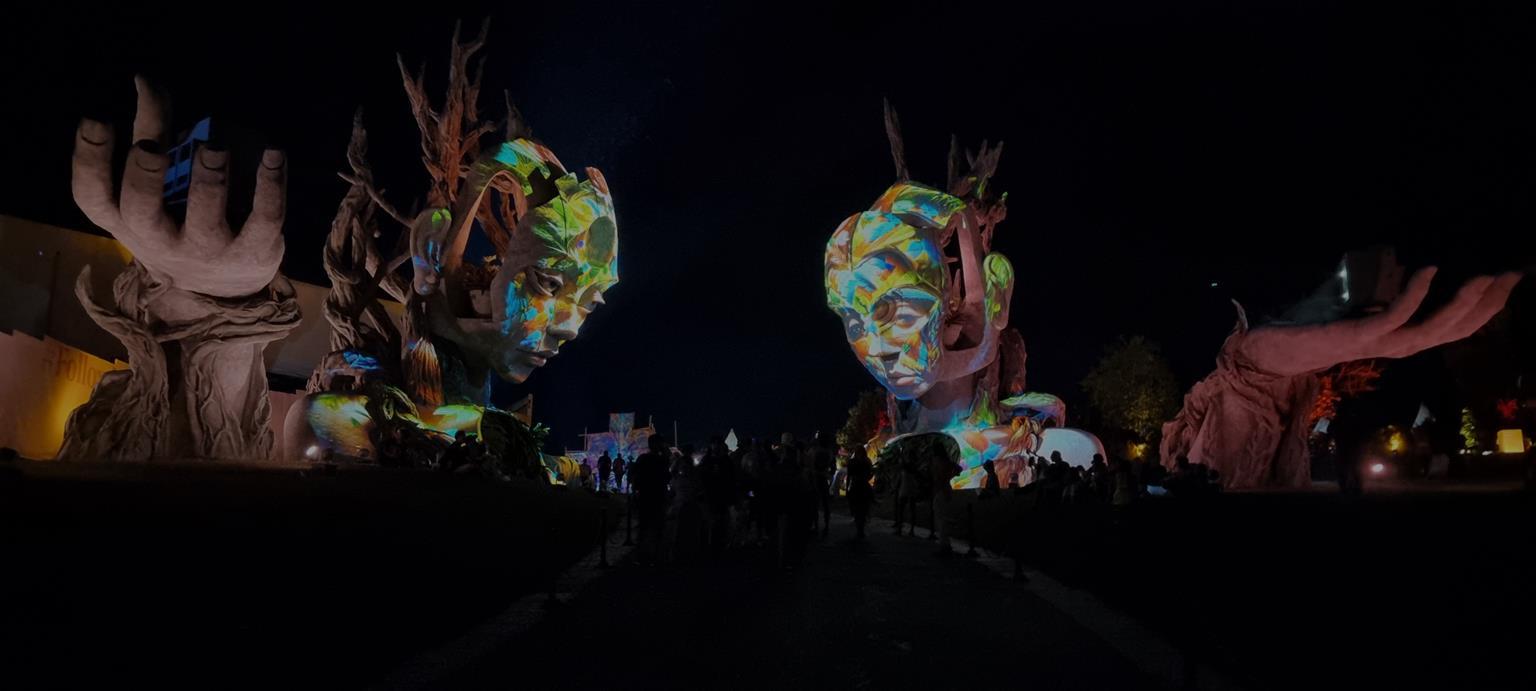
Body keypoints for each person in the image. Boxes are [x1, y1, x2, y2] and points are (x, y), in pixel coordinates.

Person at [630, 436, 673, 565]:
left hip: (646, 497)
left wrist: (635, 491)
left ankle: (641, 556)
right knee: (657, 528)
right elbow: (667, 476)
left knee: (644, 528)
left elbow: (635, 477)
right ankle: (655, 556)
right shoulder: (661, 460)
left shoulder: (643, 459)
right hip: (657, 497)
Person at [930, 442, 960, 556]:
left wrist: (943, 480)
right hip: (946, 489)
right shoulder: (946, 461)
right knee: (943, 517)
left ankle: (944, 546)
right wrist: (950, 477)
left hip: (941, 490)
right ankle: (945, 544)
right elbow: (958, 468)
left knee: (940, 518)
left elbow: (938, 477)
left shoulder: (937, 461)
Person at [809, 432, 836, 536]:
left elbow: (810, 465)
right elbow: (833, 468)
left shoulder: (814, 451)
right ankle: (826, 526)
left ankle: (816, 526)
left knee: (815, 504)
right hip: (824, 479)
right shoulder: (829, 452)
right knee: (825, 504)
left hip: (815, 479)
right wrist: (828, 475)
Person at [845, 448, 874, 540]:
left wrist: (847, 488)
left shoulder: (852, 462)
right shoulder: (867, 461)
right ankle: (861, 530)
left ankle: (859, 530)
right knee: (863, 508)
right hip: (864, 486)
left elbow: (849, 476)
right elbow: (871, 474)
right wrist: (865, 478)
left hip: (855, 486)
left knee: (857, 508)